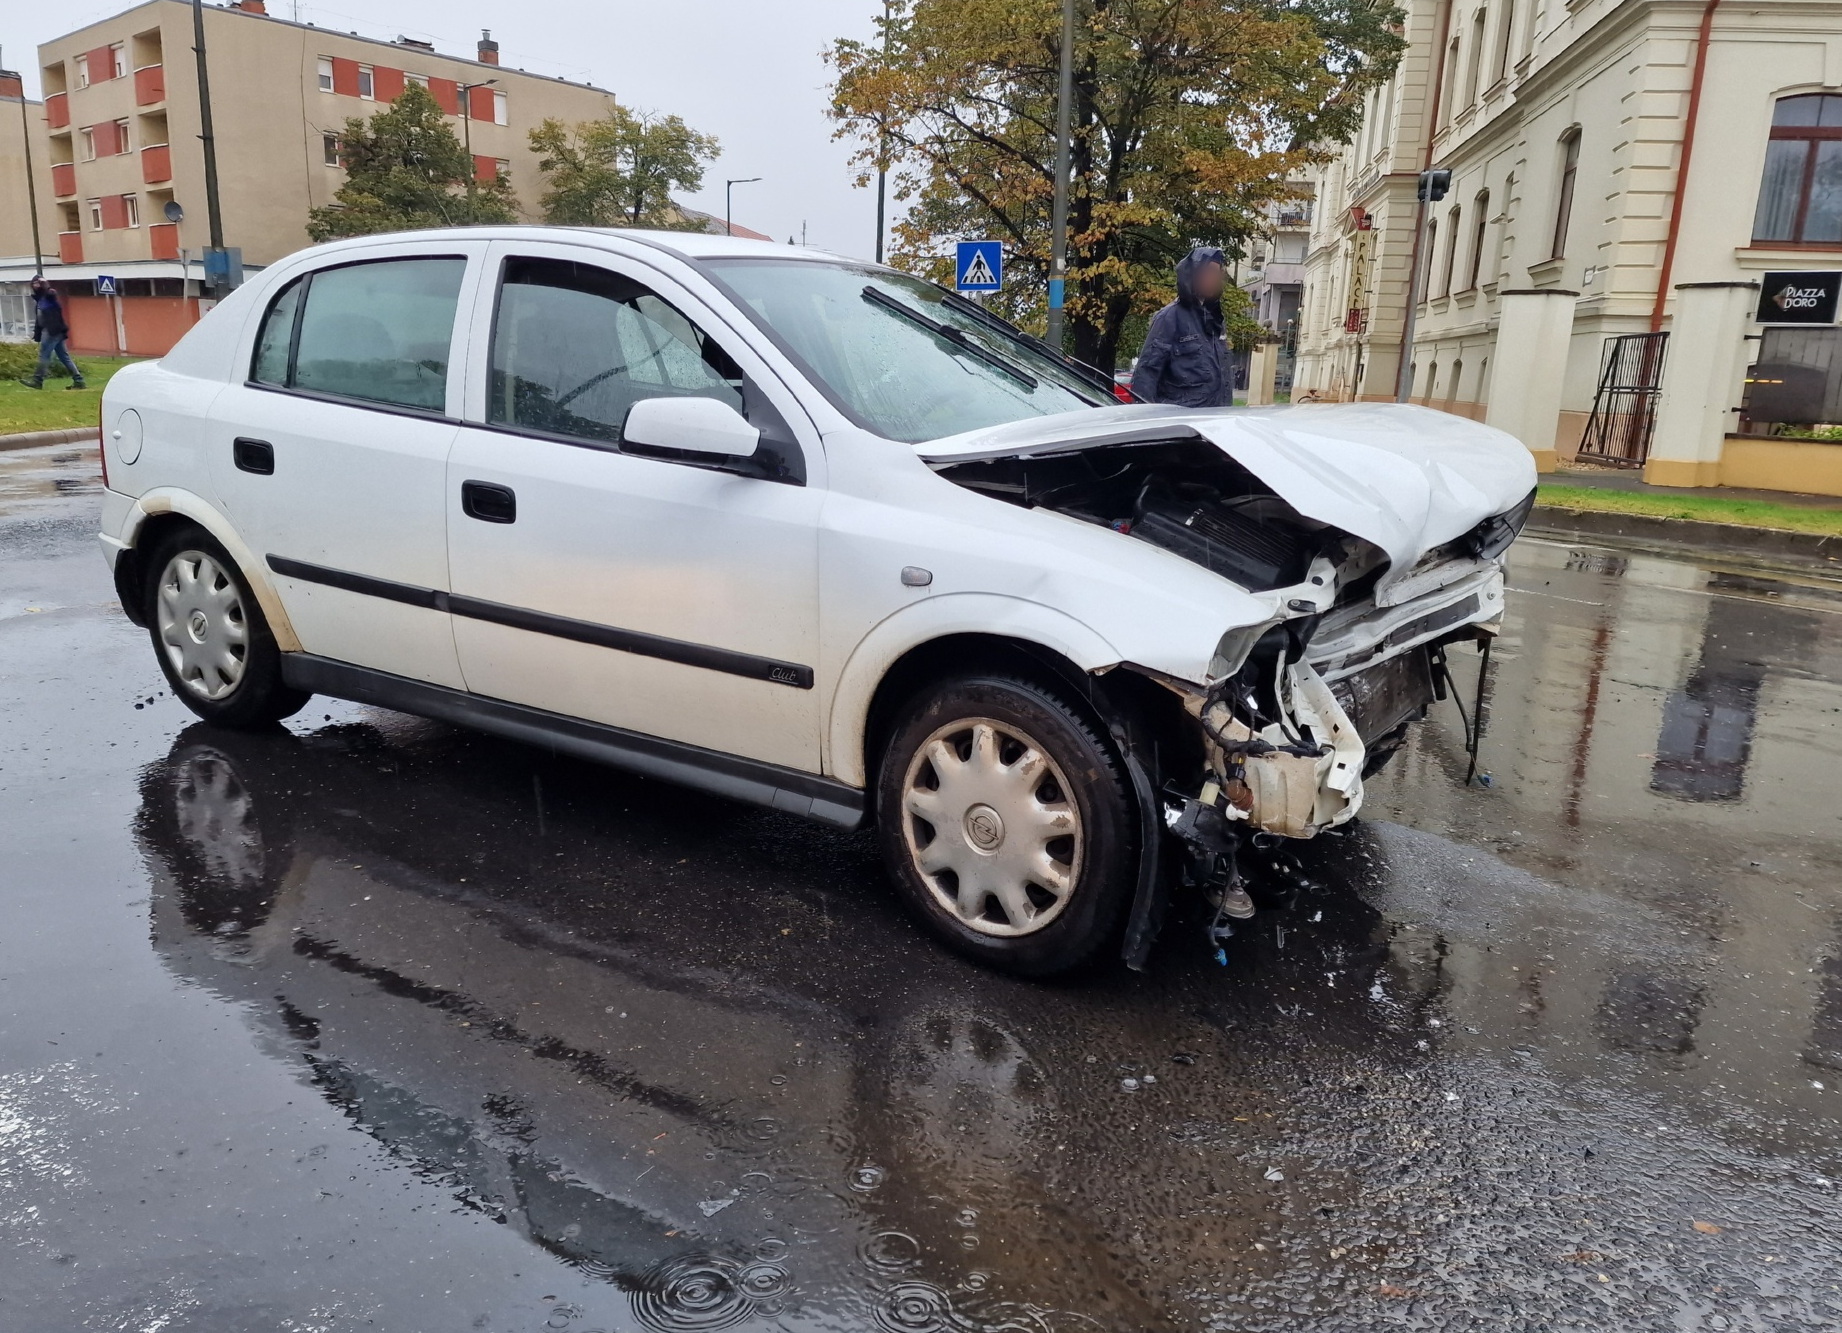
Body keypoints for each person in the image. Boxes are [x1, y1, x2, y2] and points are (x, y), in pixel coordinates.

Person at [1129, 246, 1229, 407]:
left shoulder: (1216, 320)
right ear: (1193, 275)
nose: (1213, 279)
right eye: (1208, 272)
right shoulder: (1169, 317)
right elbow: (1147, 373)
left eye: (1216, 273)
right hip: (1182, 422)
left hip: (1213, 423)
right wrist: (1145, 420)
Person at [23, 276, 86, 390]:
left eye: (38, 283)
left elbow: (51, 293)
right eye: (34, 283)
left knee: (44, 356)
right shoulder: (40, 299)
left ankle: (37, 380)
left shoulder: (49, 296)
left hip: (52, 331)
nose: (36, 285)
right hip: (52, 331)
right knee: (64, 356)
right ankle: (79, 380)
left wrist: (45, 284)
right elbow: (39, 319)